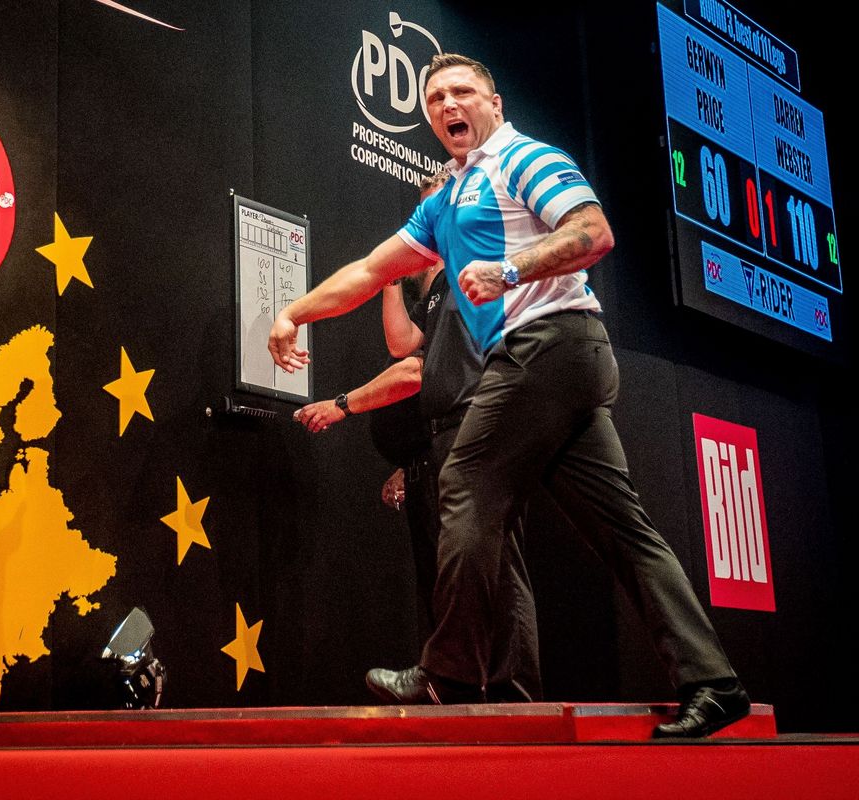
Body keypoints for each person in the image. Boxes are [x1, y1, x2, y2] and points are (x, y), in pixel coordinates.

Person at [269, 53, 749, 738]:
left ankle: (449, 671)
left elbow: (593, 232)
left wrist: (511, 270)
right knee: (620, 527)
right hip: (563, 362)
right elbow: (372, 269)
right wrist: (293, 313)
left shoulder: (523, 158)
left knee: (464, 482)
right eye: (435, 99)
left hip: (549, 344)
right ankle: (713, 681)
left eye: (461, 92)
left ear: (494, 103)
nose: (447, 105)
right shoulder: (447, 199)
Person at [294, 173, 540, 701]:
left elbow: (416, 370)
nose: (431, 226)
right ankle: (459, 687)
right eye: (425, 217)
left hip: (482, 433)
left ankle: (518, 700)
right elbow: (403, 344)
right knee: (459, 573)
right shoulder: (439, 290)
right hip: (447, 443)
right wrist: (391, 277)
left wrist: (341, 405)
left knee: (498, 568)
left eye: (440, 212)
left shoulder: (471, 274)